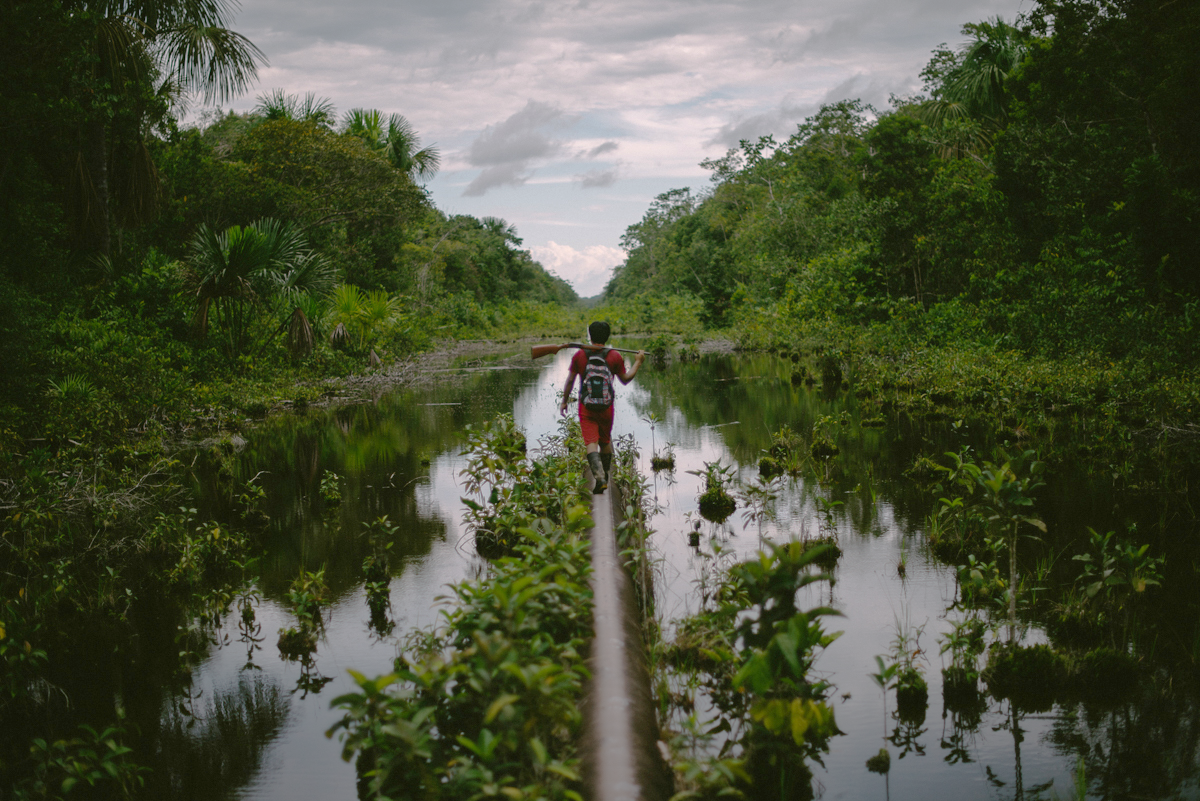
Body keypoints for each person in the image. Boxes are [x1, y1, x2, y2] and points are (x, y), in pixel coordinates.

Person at [558, 321, 645, 493]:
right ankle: (605, 473)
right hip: (606, 407)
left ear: (590, 336)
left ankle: (599, 477)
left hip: (586, 407)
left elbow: (570, 380)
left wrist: (564, 400)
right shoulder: (614, 356)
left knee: (591, 442)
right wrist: (638, 362)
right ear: (607, 336)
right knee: (605, 441)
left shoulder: (580, 356)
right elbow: (625, 379)